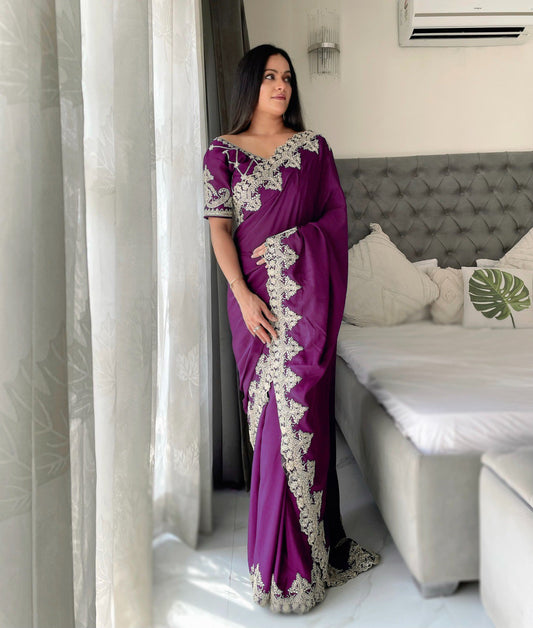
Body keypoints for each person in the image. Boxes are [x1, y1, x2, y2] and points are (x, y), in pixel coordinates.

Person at [203, 44, 379, 614]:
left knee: (299, 420)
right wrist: (242, 294)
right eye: (270, 77)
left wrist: (294, 246)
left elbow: (334, 221)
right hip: (253, 305)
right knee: (271, 427)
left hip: (305, 305)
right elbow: (220, 229)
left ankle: (306, 561)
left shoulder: (313, 149)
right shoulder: (222, 152)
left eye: (287, 77)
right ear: (250, 84)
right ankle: (279, 566)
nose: (282, 85)